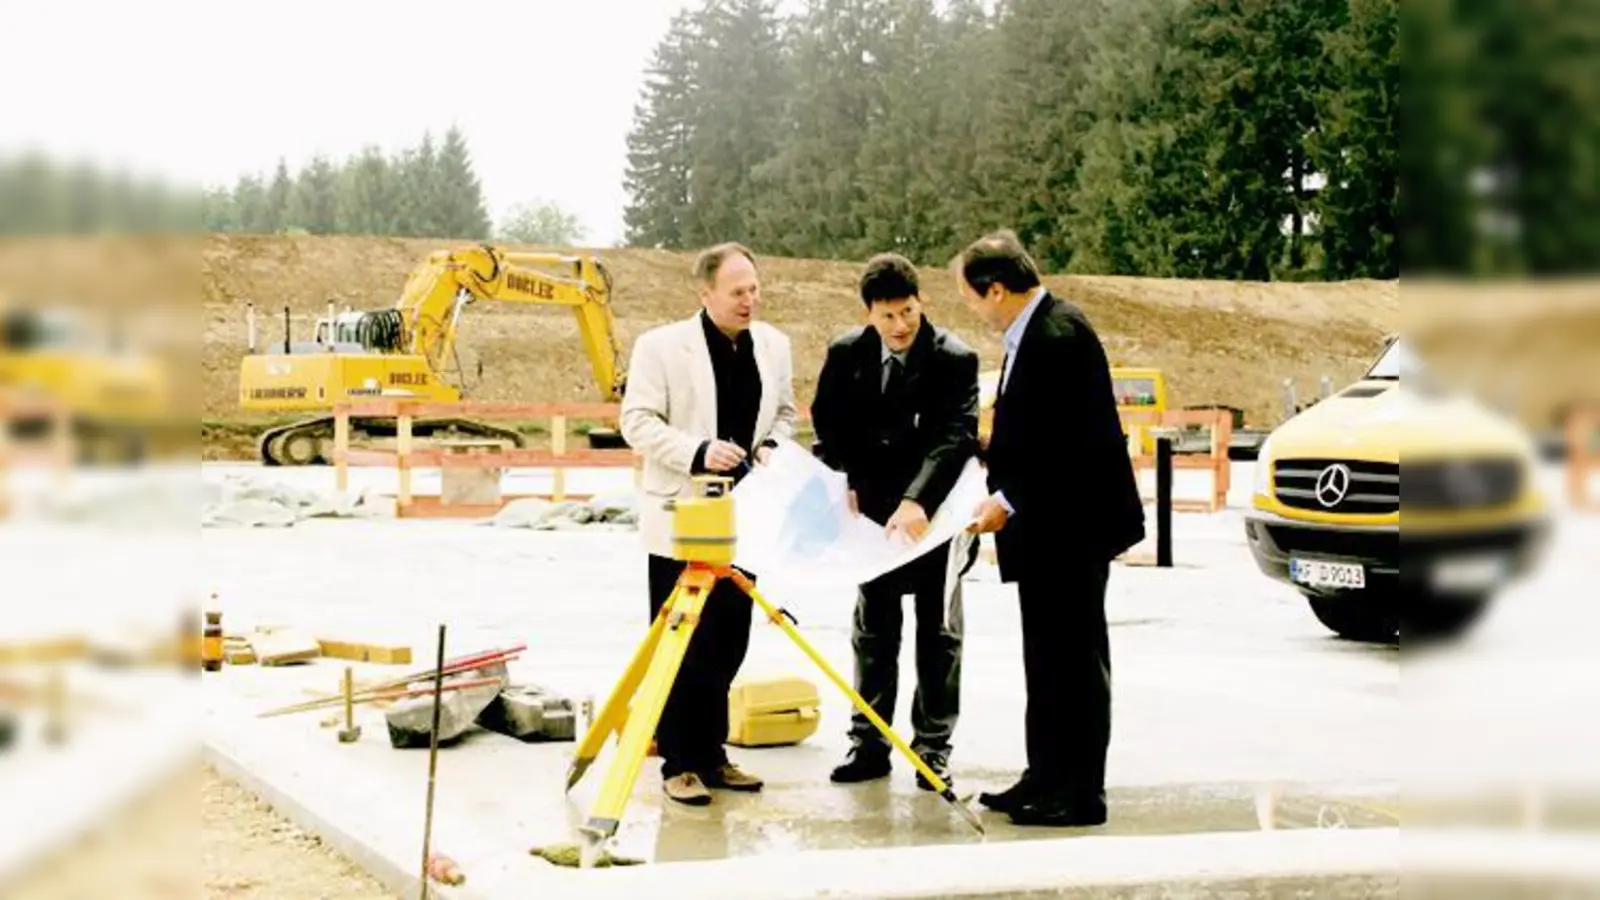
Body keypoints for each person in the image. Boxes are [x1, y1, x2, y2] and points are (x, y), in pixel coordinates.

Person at [957, 230, 1145, 827]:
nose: (972, 311)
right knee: (1046, 657)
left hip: (1073, 528)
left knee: (1075, 660)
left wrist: (1007, 500)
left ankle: (1081, 791)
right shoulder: (1033, 333)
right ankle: (1045, 774)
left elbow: (1070, 446)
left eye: (971, 298)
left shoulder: (1057, 335)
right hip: (1049, 530)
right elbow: (1034, 430)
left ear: (995, 289)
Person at [619, 241, 799, 806]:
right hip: (681, 513)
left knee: (728, 639)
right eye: (738, 291)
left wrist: (771, 446)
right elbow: (636, 421)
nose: (751, 300)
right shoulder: (660, 347)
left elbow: (788, 414)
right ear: (706, 293)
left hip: (745, 516)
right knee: (680, 643)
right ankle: (679, 760)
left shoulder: (774, 346)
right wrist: (696, 451)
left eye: (755, 289)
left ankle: (714, 754)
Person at [810, 252, 980, 790]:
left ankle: (932, 749)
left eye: (907, 312)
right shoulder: (846, 355)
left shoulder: (955, 358)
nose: (900, 326)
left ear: (920, 303)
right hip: (872, 512)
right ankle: (869, 742)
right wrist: (846, 480)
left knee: (939, 629)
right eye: (887, 316)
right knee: (874, 628)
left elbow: (956, 435)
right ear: (869, 315)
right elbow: (828, 424)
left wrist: (919, 501)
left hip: (935, 511)